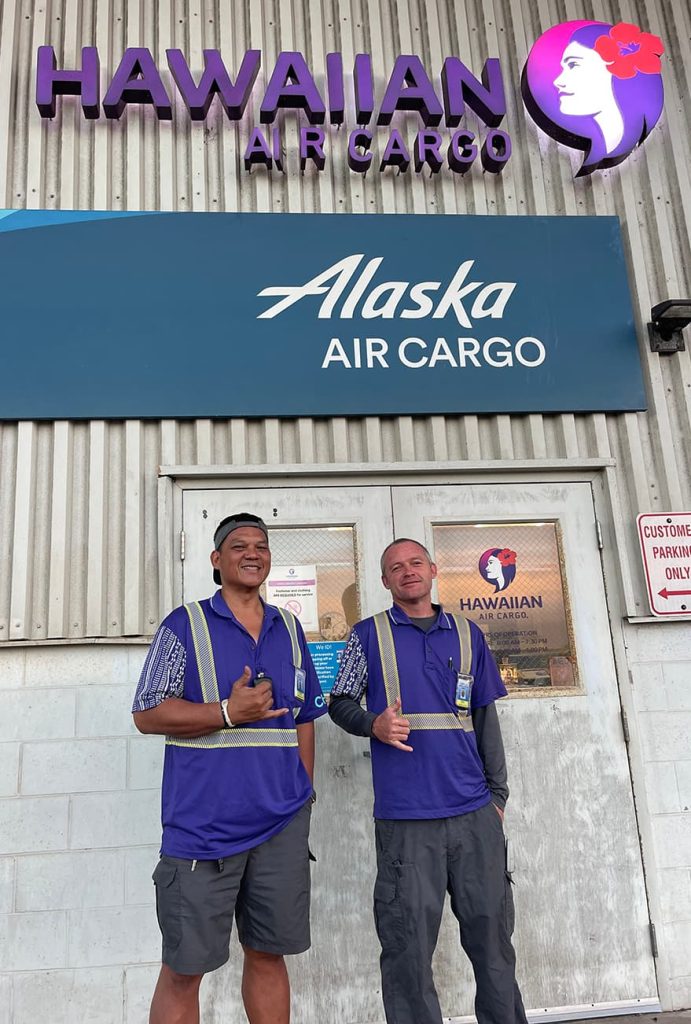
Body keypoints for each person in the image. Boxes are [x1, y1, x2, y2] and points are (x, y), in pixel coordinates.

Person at [132, 512, 326, 1024]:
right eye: (238, 545)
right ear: (217, 560)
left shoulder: (289, 627)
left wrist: (302, 789)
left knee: (267, 953)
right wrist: (225, 711)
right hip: (203, 829)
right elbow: (146, 714)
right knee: (184, 968)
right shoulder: (184, 625)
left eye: (261, 545)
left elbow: (305, 715)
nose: (252, 553)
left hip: (280, 824)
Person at [328, 537, 528, 1024]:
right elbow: (339, 703)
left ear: (433, 569)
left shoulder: (466, 633)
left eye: (416, 562)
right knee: (407, 953)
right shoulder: (366, 635)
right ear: (385, 580)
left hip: (473, 817)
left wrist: (496, 797)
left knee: (494, 947)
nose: (408, 571)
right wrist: (372, 723)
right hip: (407, 823)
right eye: (396, 567)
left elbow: (484, 718)